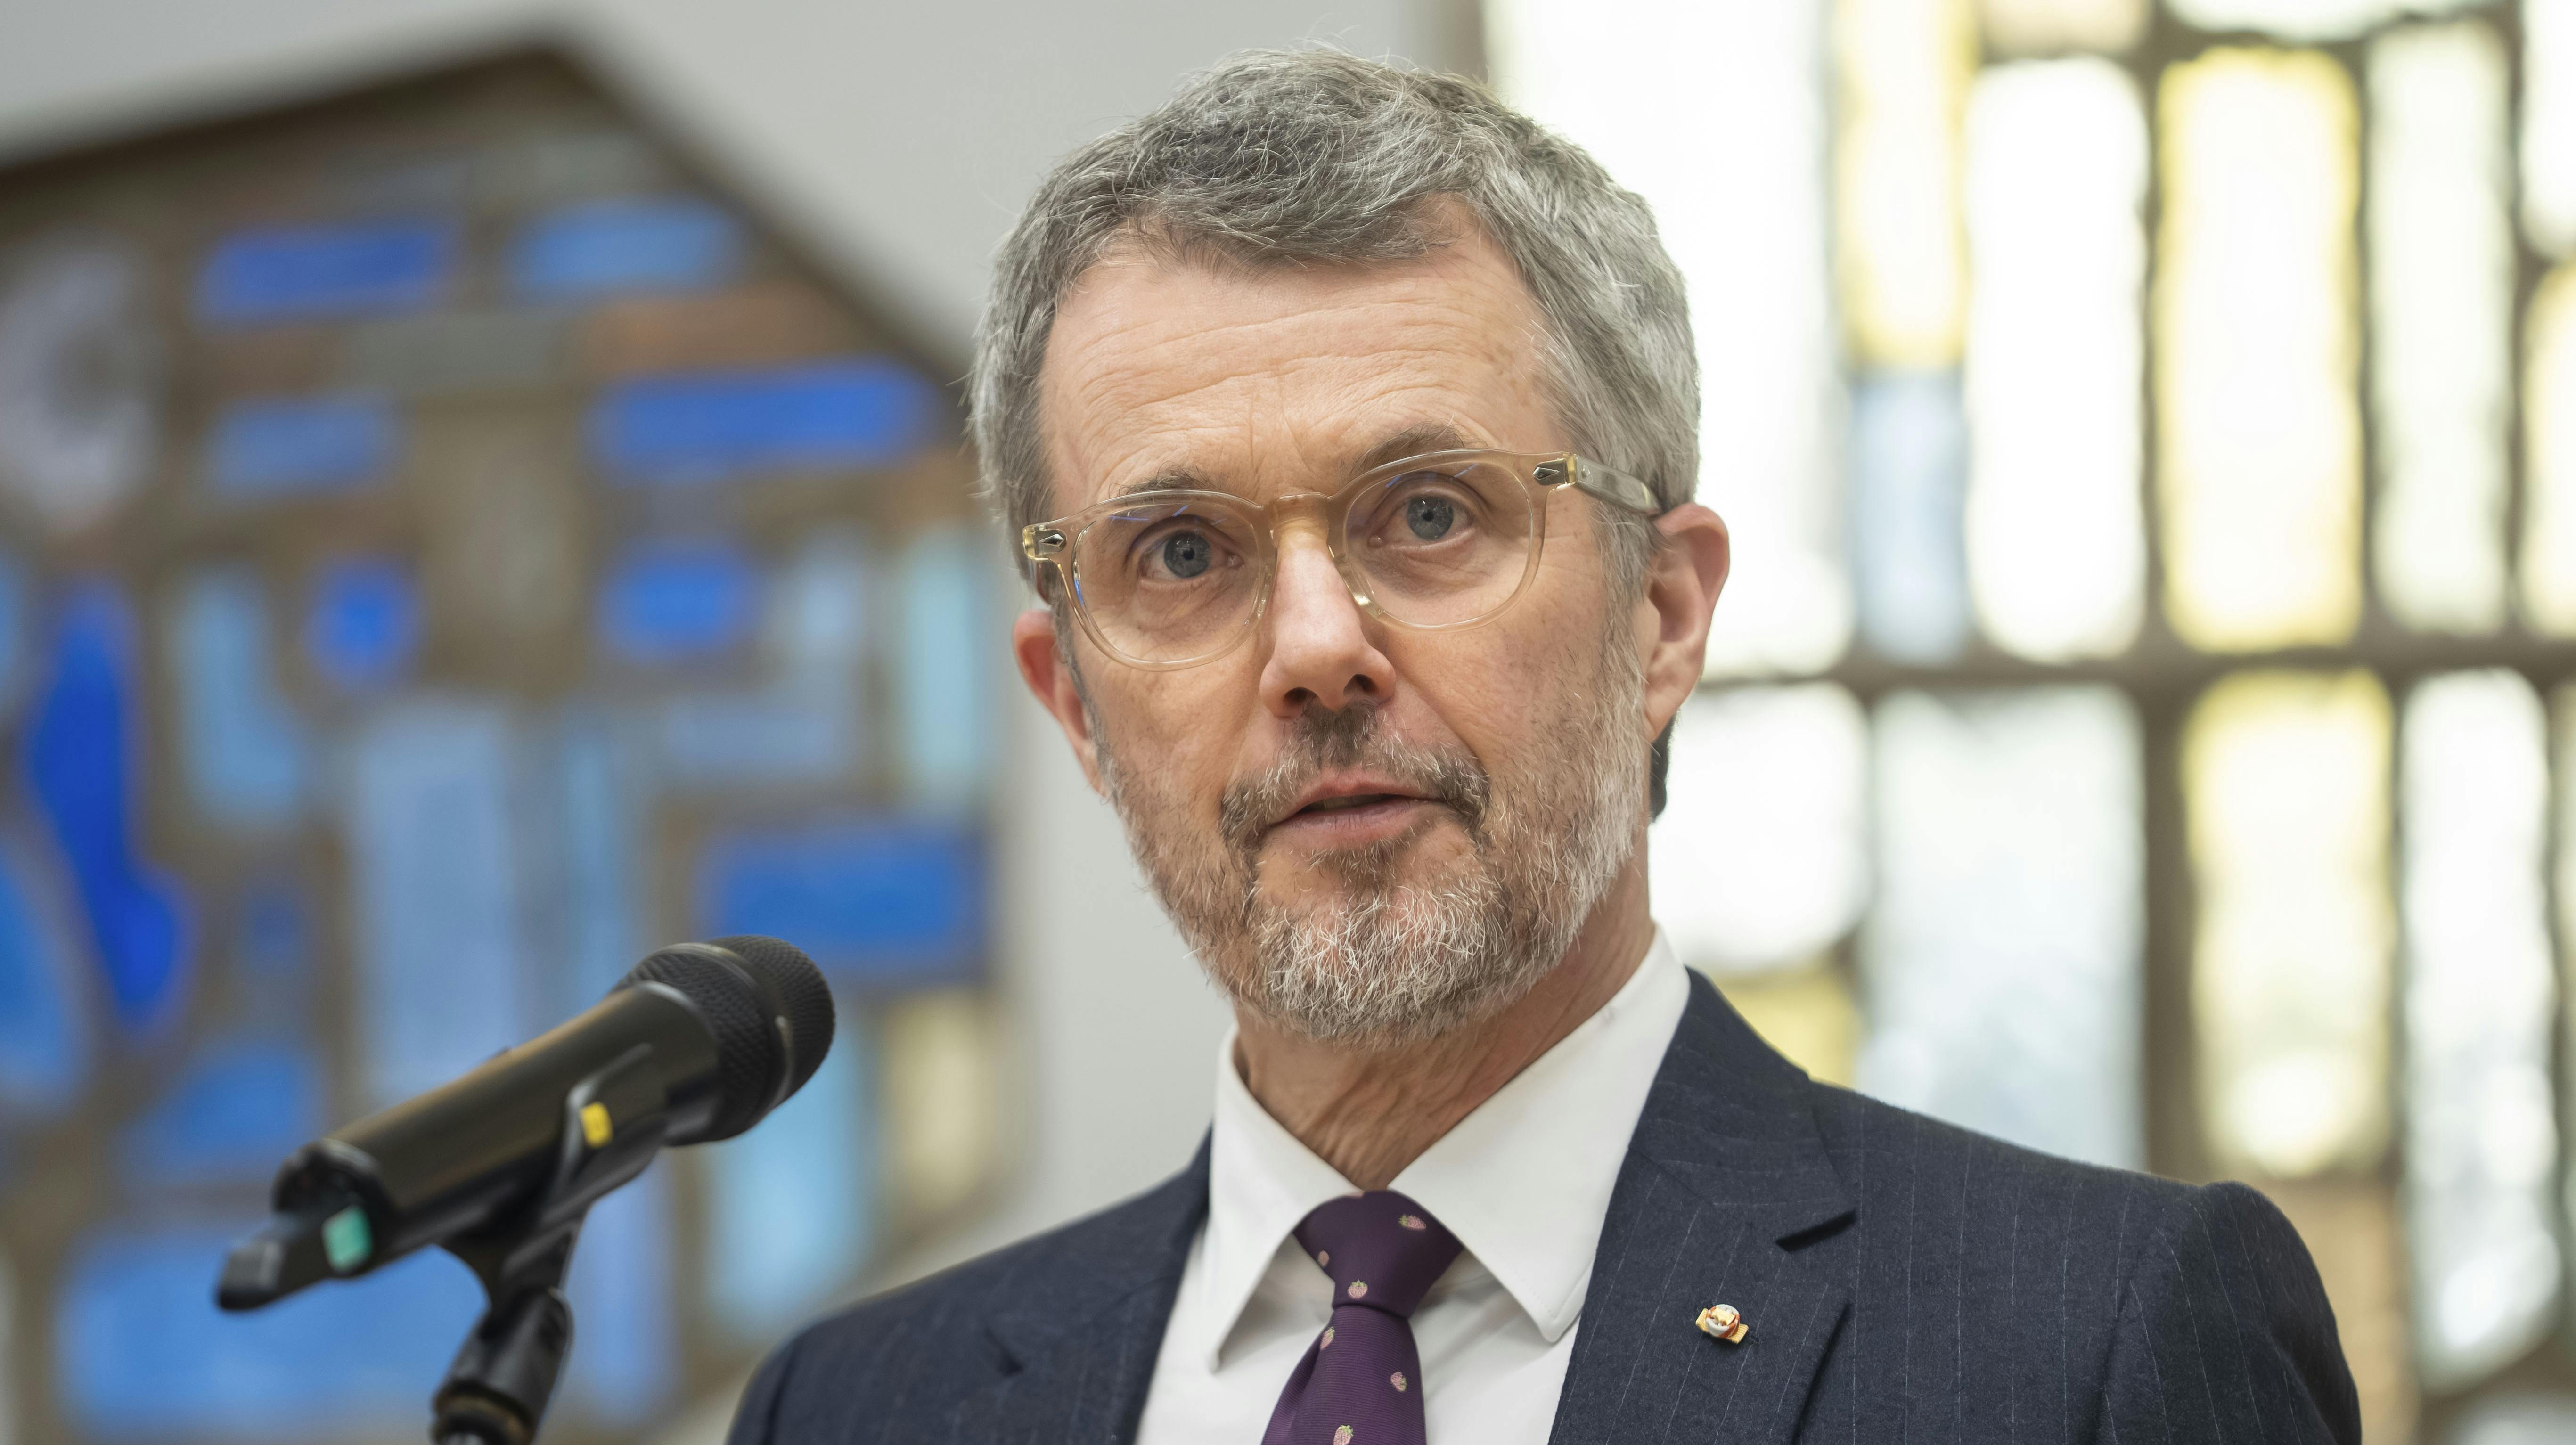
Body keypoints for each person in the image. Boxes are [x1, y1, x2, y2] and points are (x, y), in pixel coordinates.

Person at [728, 49, 2358, 1445]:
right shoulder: (866, 1406)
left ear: (1659, 615)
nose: (1312, 650)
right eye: (1178, 552)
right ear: (1073, 700)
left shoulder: (2082, 1346)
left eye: (1427, 512)